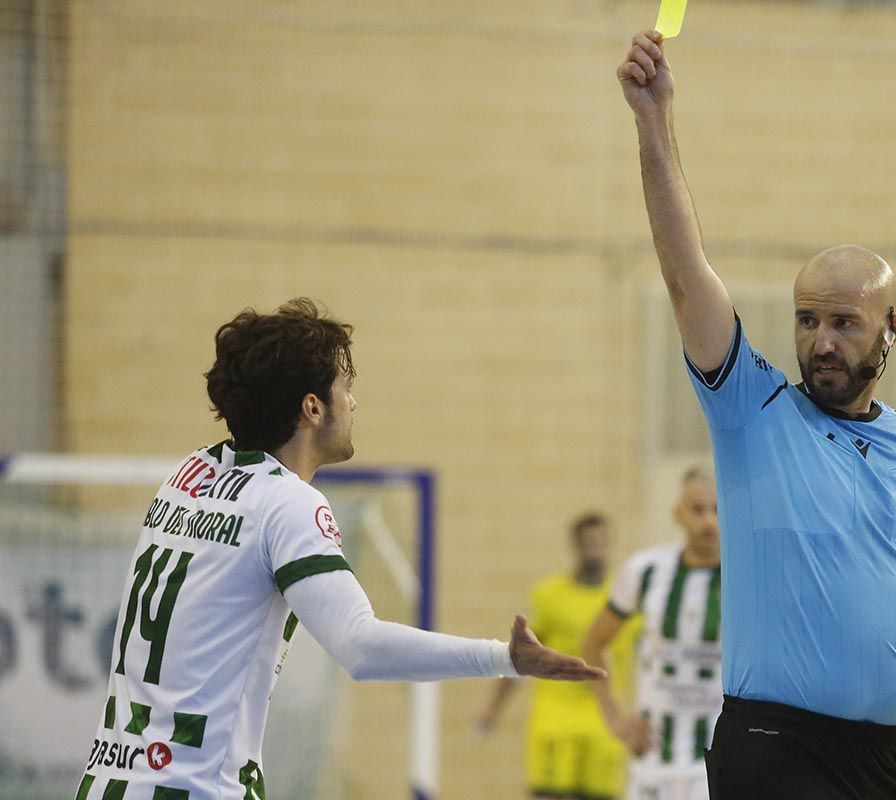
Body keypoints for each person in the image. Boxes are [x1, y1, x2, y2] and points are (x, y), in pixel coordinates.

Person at [616, 31, 896, 800]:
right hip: (773, 750)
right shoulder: (751, 408)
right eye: (806, 321)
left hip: (892, 757)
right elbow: (687, 273)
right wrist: (653, 122)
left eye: (844, 324)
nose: (820, 342)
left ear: (892, 328)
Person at [76, 299, 603, 800]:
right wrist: (504, 658)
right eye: (344, 386)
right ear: (312, 407)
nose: (353, 402)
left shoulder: (187, 475)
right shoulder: (286, 503)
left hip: (107, 781)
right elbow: (361, 647)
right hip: (196, 786)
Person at [582, 467, 723, 800]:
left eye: (717, 510)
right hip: (652, 761)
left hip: (715, 763)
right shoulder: (645, 571)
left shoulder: (748, 576)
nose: (708, 522)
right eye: (697, 510)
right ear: (678, 514)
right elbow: (593, 643)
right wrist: (614, 717)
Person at [477, 513, 639, 800]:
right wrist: (494, 710)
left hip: (604, 721)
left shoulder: (626, 600)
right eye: (589, 544)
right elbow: (520, 657)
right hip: (554, 718)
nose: (596, 551)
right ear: (576, 547)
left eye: (602, 543)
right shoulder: (549, 596)